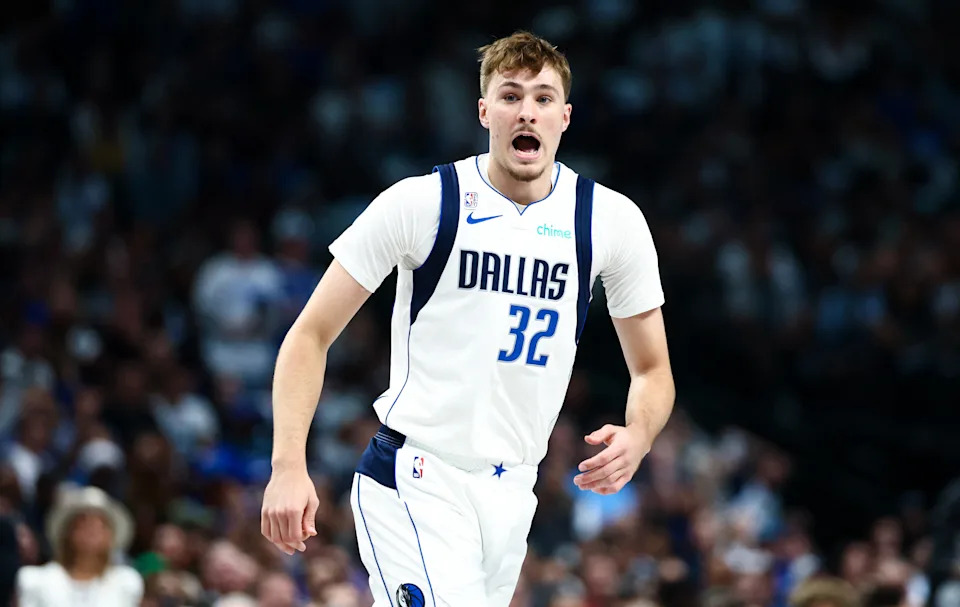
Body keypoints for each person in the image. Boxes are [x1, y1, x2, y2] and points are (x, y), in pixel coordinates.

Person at [261, 31, 676, 607]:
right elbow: (310, 333)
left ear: (565, 117)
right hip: (418, 475)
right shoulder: (423, 202)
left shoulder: (610, 221)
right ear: (485, 112)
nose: (526, 110)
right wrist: (287, 466)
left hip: (513, 492)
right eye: (509, 96)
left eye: (542, 97)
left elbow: (653, 369)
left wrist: (641, 434)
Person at [15, 484, 143, 606]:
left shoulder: (127, 583)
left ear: (111, 537)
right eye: (84, 524)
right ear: (67, 532)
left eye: (100, 526)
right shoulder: (36, 581)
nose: (92, 531)